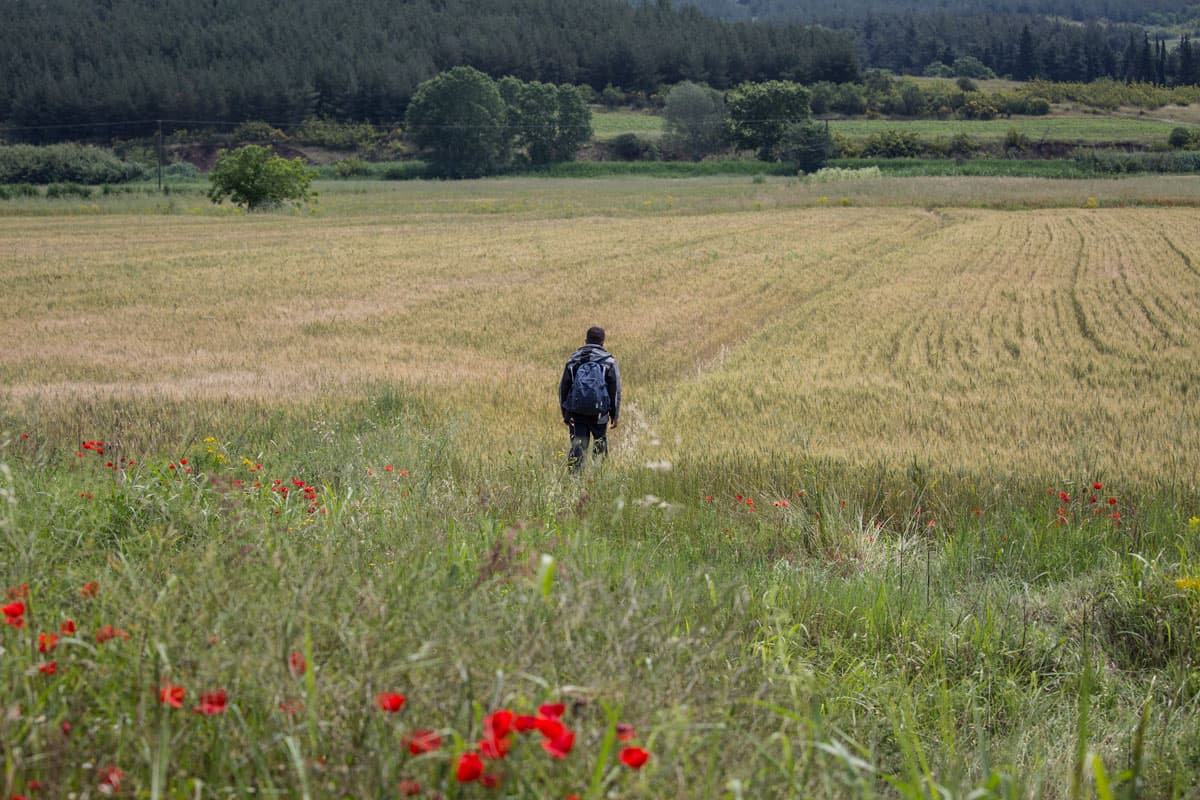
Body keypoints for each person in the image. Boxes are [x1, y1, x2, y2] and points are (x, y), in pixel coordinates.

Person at [559, 326, 621, 471]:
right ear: (603, 342)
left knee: (578, 447)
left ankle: (575, 481)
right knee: (600, 442)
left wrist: (566, 414)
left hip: (576, 412)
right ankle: (599, 477)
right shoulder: (609, 361)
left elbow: (563, 388)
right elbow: (615, 390)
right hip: (600, 413)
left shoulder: (573, 360)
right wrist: (614, 415)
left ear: (586, 340)